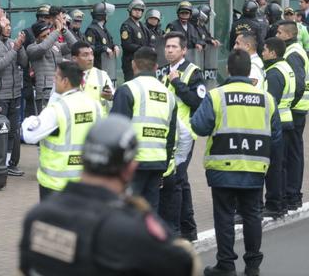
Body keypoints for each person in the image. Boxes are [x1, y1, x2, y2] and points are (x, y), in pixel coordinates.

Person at [19, 115, 199, 276]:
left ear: (82, 157)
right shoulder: (133, 228)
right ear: (130, 168)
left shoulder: (38, 216)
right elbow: (185, 265)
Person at [191, 49, 281, 276]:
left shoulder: (216, 95)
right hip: (254, 168)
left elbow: (199, 127)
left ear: (227, 69)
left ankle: (226, 265)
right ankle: (253, 265)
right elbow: (276, 137)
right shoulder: (266, 99)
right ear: (249, 71)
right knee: (252, 215)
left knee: (224, 217)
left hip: (222, 168)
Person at [22, 61, 101, 200]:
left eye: (56, 77)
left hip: (57, 185)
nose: (54, 80)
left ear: (65, 81)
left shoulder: (57, 109)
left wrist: (29, 120)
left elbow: (29, 135)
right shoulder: (95, 105)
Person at [111, 47, 177, 210]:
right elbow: (171, 137)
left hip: (132, 165)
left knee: (126, 213)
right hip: (157, 163)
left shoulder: (127, 90)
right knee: (149, 215)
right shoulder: (168, 94)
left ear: (133, 64)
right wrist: (164, 165)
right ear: (156, 67)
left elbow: (115, 131)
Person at [160, 31, 205, 241]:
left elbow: (198, 102)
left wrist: (178, 83)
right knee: (182, 181)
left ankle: (177, 230)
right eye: (167, 47)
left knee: (175, 181)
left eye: (174, 47)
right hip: (170, 136)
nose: (169, 50)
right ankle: (188, 228)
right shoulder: (164, 72)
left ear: (184, 50)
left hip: (185, 136)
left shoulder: (192, 72)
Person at [0, 19, 28, 176]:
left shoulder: (13, 42)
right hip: (0, 94)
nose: (9, 28)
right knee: (1, 131)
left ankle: (9, 163)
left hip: (15, 93)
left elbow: (24, 63)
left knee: (13, 131)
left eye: (10, 25)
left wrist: (20, 46)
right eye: (5, 25)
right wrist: (15, 49)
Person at [276, 21, 308, 211]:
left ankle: (292, 194)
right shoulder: (294, 50)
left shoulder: (293, 54)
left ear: (288, 35)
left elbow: (298, 84)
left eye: (279, 32)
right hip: (298, 108)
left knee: (292, 154)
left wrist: (289, 104)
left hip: (295, 110)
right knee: (294, 153)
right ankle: (293, 193)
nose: (277, 34)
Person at [261, 37, 294, 219]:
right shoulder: (285, 67)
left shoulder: (274, 72)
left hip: (277, 123)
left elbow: (270, 103)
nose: (263, 52)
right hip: (286, 119)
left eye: (265, 50)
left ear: (273, 53)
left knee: (274, 167)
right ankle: (281, 203)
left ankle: (274, 204)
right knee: (281, 166)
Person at [27, 16, 78, 111]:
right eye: (43, 36)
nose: (47, 38)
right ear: (36, 37)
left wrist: (64, 30)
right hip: (44, 93)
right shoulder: (31, 48)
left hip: (60, 89)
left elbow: (75, 46)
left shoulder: (56, 45)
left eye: (48, 34)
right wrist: (56, 32)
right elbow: (43, 47)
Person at [22, 4, 53, 117]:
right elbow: (24, 59)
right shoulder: (29, 32)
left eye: (47, 17)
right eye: (43, 17)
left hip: (51, 81)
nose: (45, 19)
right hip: (33, 80)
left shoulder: (52, 33)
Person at [70, 41, 114, 115]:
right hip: (74, 124)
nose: (90, 58)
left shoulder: (102, 75)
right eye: (85, 55)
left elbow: (113, 98)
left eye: (91, 54)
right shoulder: (65, 76)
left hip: (98, 124)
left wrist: (110, 97)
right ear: (74, 58)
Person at [85, 2, 119, 84]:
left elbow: (110, 42)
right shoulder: (92, 29)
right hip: (98, 66)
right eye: (106, 14)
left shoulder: (103, 29)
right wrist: (104, 48)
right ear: (102, 16)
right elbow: (90, 47)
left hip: (107, 67)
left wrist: (115, 46)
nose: (108, 16)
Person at [121, 0, 153, 82]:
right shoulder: (126, 26)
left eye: (140, 10)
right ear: (130, 10)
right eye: (135, 9)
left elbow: (150, 40)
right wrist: (143, 49)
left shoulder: (143, 25)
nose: (138, 12)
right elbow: (127, 45)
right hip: (131, 63)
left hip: (143, 62)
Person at [165, 1, 205, 65]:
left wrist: (198, 43)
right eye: (182, 13)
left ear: (190, 15)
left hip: (190, 59)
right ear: (178, 14)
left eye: (187, 13)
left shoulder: (191, 27)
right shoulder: (172, 26)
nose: (184, 15)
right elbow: (166, 40)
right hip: (176, 59)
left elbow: (198, 39)